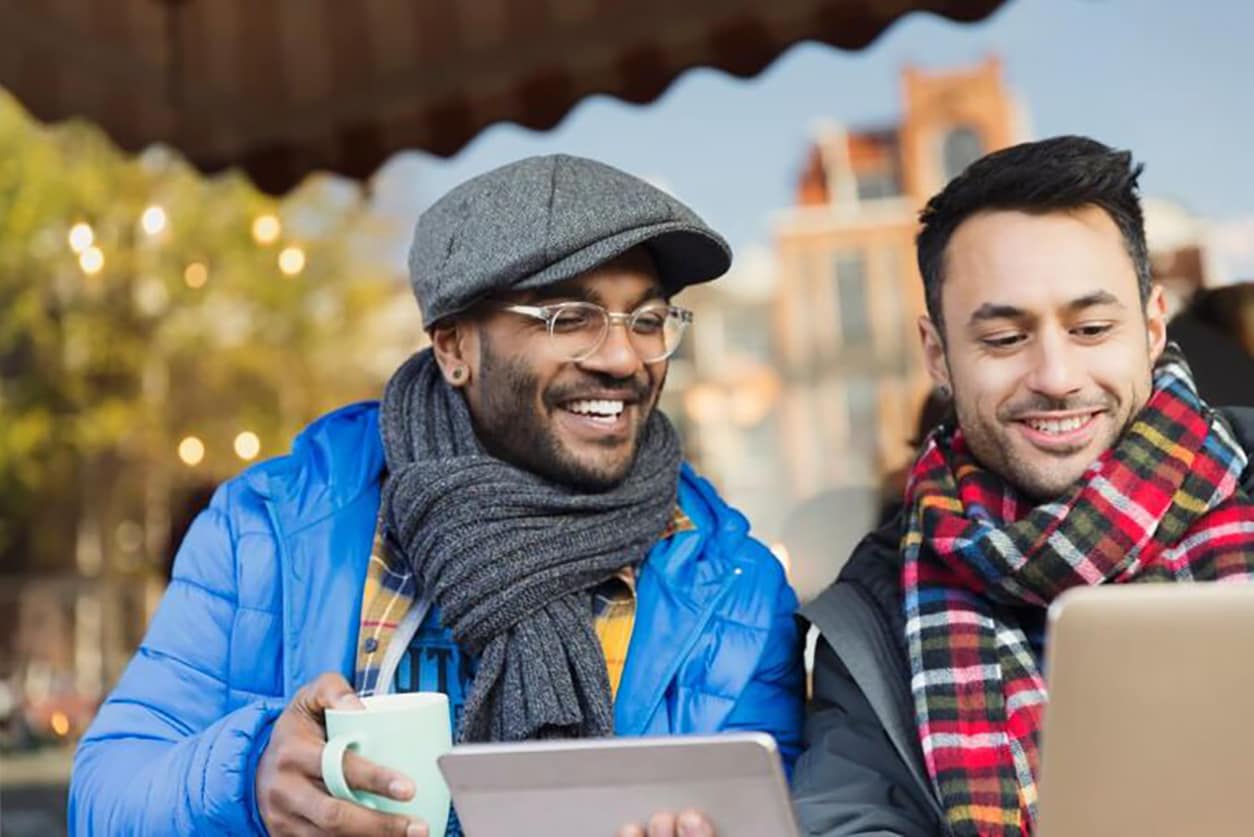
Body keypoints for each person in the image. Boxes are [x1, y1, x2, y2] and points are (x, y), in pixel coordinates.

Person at [69, 155, 804, 837]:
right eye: (567, 317)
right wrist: (250, 776)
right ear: (454, 347)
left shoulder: (735, 588)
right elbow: (103, 790)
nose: (622, 357)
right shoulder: (269, 525)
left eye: (646, 319)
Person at [792, 136, 1254, 837]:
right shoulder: (872, 607)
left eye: (1092, 327)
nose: (1057, 374)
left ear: (1154, 325)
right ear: (938, 355)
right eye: (1005, 338)